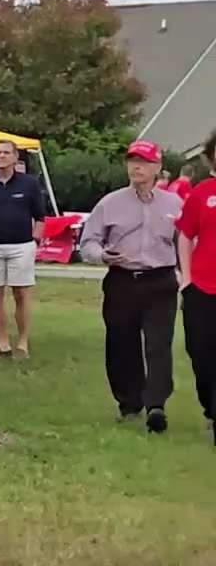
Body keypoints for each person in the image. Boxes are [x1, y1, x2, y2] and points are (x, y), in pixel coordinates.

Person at [80, 141, 186, 432]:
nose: (136, 167)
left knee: (158, 344)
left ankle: (156, 405)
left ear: (157, 168)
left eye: (143, 162)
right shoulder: (110, 203)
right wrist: (102, 255)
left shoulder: (174, 205)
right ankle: (129, 404)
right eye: (132, 161)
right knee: (121, 343)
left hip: (160, 280)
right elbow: (88, 242)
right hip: (122, 280)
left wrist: (185, 274)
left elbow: (185, 243)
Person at [0, 139, 50, 359]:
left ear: (16, 157)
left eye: (6, 152)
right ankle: (2, 341)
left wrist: (35, 241)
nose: (2, 156)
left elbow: (40, 217)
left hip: (22, 245)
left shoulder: (29, 184)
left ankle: (23, 342)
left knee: (21, 294)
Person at [176, 133, 216, 445]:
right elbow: (184, 235)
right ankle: (210, 407)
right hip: (201, 286)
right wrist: (186, 277)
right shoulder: (201, 193)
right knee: (200, 352)